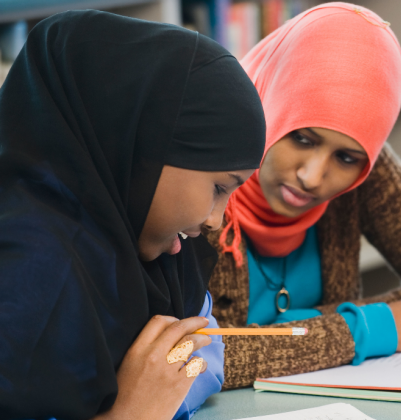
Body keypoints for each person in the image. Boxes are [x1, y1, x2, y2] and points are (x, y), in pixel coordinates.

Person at [207, 2, 401, 389]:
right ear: (268, 99)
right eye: (301, 137)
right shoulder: (200, 166)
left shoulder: (362, 163)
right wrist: (377, 326)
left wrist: (297, 333)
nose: (313, 177)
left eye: (345, 158)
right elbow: (187, 360)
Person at [0, 10, 265, 419]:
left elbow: (208, 352)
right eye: (218, 188)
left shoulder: (160, 252)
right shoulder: (26, 274)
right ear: (141, 150)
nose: (216, 220)